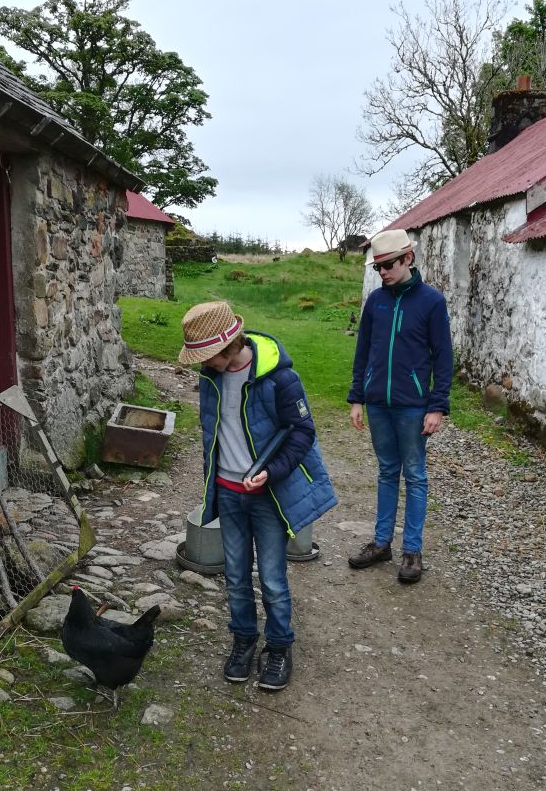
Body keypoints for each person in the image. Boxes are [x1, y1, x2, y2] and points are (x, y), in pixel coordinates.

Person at [179, 300, 336, 691]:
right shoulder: (209, 378)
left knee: (271, 578)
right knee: (234, 576)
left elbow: (302, 433)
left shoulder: (279, 379)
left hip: (267, 496)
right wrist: (211, 483)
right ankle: (244, 640)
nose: (204, 363)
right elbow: (210, 434)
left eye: (207, 355)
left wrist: (271, 472)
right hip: (229, 494)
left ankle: (280, 647)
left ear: (230, 344)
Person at [347, 229, 452, 584]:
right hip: (378, 403)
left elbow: (444, 359)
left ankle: (412, 550)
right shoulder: (375, 301)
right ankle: (381, 544)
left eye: (389, 264)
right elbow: (363, 353)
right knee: (387, 472)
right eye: (378, 267)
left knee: (416, 475)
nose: (383, 272)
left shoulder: (431, 302)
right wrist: (357, 397)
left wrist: (437, 406)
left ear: (408, 258)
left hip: (413, 407)